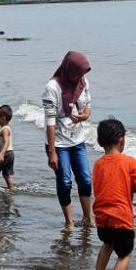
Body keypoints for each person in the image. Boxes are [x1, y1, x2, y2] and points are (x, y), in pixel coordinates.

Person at [89, 118, 136, 270]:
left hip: (102, 217)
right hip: (121, 217)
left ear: (99, 142)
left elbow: (100, 189)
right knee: (125, 254)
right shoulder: (130, 162)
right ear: (122, 140)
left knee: (107, 245)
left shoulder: (98, 164)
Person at [43, 50, 94, 231]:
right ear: (68, 68)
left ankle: (88, 218)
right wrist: (52, 153)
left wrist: (85, 115)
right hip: (58, 143)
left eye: (82, 74)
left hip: (77, 140)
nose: (80, 77)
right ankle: (69, 222)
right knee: (65, 181)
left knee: (86, 179)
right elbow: (49, 121)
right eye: (77, 73)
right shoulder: (52, 88)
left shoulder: (83, 82)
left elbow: (88, 106)